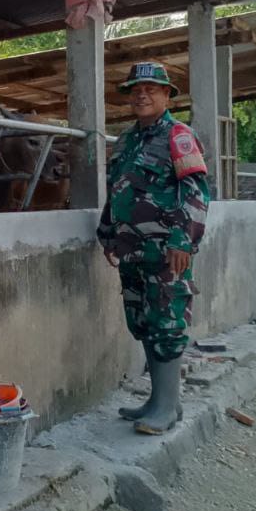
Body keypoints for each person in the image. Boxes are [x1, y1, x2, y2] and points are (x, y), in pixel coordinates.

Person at [96, 62, 210, 436]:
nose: (142, 95)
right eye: (136, 89)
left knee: (167, 323)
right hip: (132, 249)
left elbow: (196, 191)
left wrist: (183, 239)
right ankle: (159, 401)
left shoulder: (179, 135)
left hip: (166, 250)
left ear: (166, 96)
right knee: (142, 321)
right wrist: (107, 233)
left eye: (151, 89)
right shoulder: (126, 140)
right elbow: (117, 190)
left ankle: (166, 407)